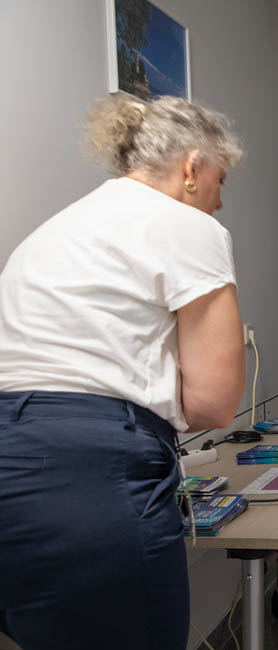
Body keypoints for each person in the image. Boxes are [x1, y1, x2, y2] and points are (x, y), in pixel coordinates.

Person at [0, 95, 245, 650]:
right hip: (90, 476)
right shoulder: (188, 226)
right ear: (191, 166)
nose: (220, 201)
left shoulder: (58, 228)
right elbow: (213, 402)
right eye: (220, 180)